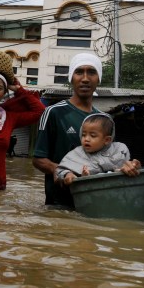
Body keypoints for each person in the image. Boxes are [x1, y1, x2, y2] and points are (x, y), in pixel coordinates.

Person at [33, 52, 104, 207]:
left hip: (92, 207)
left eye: (91, 72)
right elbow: (38, 159)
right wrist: (61, 170)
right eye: (79, 72)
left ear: (99, 78)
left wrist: (127, 165)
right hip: (58, 207)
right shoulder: (53, 113)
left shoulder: (104, 120)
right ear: (71, 77)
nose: (85, 78)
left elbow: (109, 161)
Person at [55, 113, 141, 186]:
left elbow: (126, 168)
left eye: (93, 136)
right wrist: (68, 174)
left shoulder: (119, 149)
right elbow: (60, 171)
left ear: (107, 140)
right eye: (84, 135)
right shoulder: (76, 153)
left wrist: (133, 166)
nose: (86, 139)